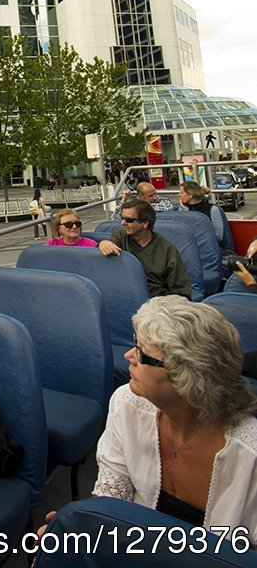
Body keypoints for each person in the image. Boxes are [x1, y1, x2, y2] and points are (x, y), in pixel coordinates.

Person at [94, 297, 257, 539]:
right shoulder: (127, 404)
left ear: (186, 378)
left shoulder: (250, 456)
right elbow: (111, 497)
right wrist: (77, 530)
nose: (129, 356)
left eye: (142, 353)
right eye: (134, 345)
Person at [98, 198, 192, 298]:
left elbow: (181, 291)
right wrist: (103, 243)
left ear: (145, 223)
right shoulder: (121, 237)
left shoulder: (167, 249)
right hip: (127, 296)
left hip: (157, 300)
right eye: (123, 218)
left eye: (129, 220)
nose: (123, 223)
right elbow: (109, 245)